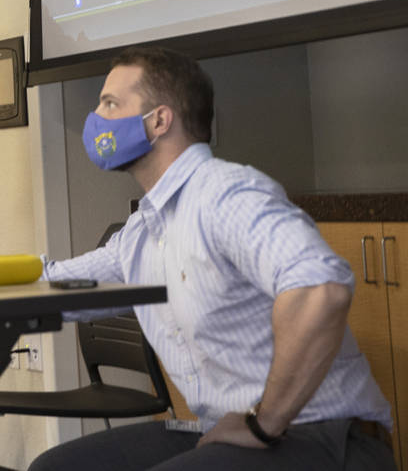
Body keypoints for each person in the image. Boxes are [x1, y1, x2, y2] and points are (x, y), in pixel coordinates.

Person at [32, 46, 393, 471]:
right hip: (221, 430)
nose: (96, 119)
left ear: (159, 121)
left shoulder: (226, 194)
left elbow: (321, 289)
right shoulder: (144, 232)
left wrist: (265, 423)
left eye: (110, 104)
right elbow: (59, 287)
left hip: (321, 435)